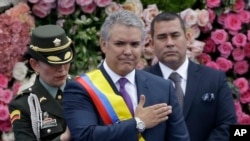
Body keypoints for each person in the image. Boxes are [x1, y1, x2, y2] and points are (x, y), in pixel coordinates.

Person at [62, 10, 190, 141]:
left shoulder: (163, 87)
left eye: (134, 44)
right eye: (120, 44)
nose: (128, 51)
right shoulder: (80, 88)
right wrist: (139, 123)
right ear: (103, 44)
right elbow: (86, 136)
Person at [144, 11, 237, 141]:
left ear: (188, 38)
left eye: (175, 35)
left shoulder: (214, 79)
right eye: (162, 37)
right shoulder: (140, 80)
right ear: (152, 43)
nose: (169, 43)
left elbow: (228, 125)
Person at [9, 24, 74, 141]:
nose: (62, 69)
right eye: (53, 63)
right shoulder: (24, 105)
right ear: (35, 64)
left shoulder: (85, 87)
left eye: (66, 61)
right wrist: (63, 138)